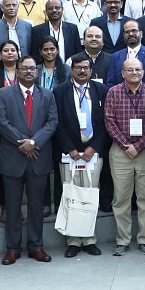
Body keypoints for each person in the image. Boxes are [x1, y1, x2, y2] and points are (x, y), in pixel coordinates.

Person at [0, 56, 58, 263]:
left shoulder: (47, 95)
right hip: (13, 157)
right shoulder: (4, 94)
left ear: (37, 71)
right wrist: (23, 143)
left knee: (36, 205)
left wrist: (33, 143)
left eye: (32, 68)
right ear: (18, 71)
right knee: (12, 207)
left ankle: (36, 246)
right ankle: (13, 248)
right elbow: (1, 122)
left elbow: (52, 122)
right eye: (25, 68)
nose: (29, 72)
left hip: (38, 157)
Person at [53, 55, 107, 256]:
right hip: (71, 155)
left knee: (91, 195)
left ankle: (90, 239)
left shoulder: (101, 90)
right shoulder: (60, 92)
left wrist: (94, 147)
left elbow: (106, 123)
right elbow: (56, 122)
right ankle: (73, 241)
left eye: (86, 68)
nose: (82, 71)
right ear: (72, 70)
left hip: (93, 153)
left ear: (92, 70)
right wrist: (70, 148)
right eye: (78, 68)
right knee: (72, 195)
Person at [105, 56, 145, 256]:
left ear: (143, 72)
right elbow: (109, 122)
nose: (134, 73)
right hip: (120, 152)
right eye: (130, 70)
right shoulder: (113, 92)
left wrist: (139, 145)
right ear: (122, 73)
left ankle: (144, 239)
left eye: (138, 69)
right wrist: (126, 145)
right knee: (121, 198)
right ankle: (123, 240)